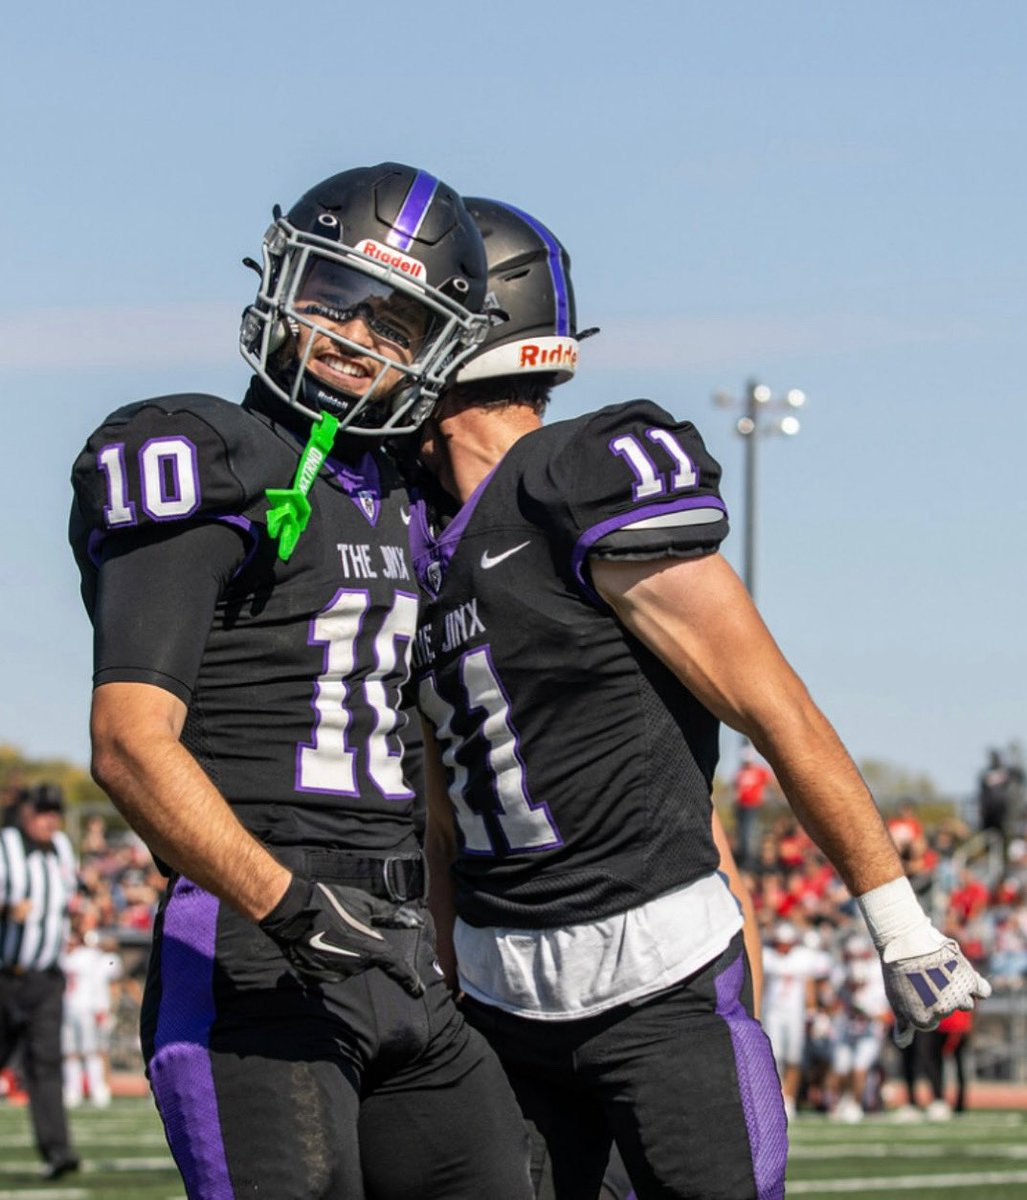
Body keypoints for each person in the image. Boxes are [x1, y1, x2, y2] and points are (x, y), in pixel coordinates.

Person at [410, 198, 991, 1200]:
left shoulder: (576, 478)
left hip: (656, 980)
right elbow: (440, 813)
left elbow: (774, 706)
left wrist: (899, 923)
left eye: (397, 321)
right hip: (500, 993)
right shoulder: (410, 532)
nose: (371, 348)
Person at [69, 163, 533, 1200]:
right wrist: (287, 907)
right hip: (255, 943)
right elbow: (128, 742)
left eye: (394, 323)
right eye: (335, 297)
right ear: (286, 284)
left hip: (399, 953)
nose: (353, 335)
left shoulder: (407, 493)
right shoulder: (202, 449)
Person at [0, 784, 81, 1179]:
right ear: (25, 813)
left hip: (47, 979)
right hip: (5, 977)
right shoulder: (6, 847)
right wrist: (5, 910)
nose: (50, 820)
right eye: (42, 811)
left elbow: (69, 899)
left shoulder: (63, 848)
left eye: (55, 812)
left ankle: (58, 1152)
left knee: (47, 1065)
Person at [61, 899, 121, 1108]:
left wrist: (101, 1008)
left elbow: (109, 970)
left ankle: (98, 1088)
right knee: (69, 1051)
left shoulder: (94, 954)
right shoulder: (67, 953)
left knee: (92, 1050)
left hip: (88, 1007)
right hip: (68, 1006)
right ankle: (73, 1089)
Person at [733, 746, 773, 869]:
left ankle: (751, 860)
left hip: (753, 806)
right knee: (743, 833)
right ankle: (744, 858)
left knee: (751, 832)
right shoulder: (740, 773)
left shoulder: (759, 771)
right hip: (741, 807)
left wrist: (766, 795)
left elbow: (770, 781)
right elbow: (736, 789)